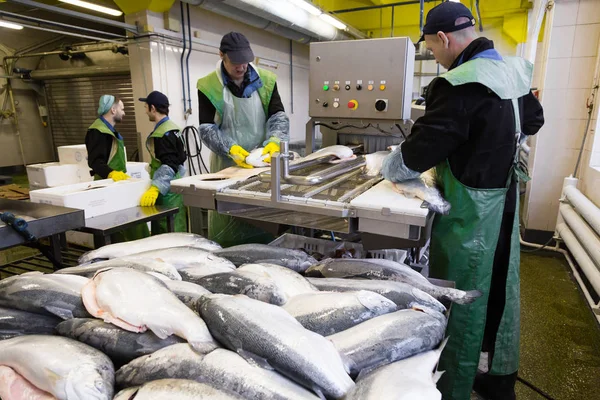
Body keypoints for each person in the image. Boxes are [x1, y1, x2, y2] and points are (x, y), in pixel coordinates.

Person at [381, 3, 544, 400]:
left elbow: (417, 154)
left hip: (471, 215)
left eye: (433, 51)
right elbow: (535, 121)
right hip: (505, 204)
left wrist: (389, 165)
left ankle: (452, 388)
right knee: (501, 289)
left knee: (462, 297)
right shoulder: (514, 72)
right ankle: (500, 379)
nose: (435, 59)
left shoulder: (460, 85)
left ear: (443, 38)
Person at [197, 31, 290, 247]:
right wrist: (232, 150)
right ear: (222, 55)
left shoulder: (266, 81)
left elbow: (278, 116)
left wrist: (275, 140)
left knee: (264, 225)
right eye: (236, 62)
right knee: (228, 229)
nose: (242, 67)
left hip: (262, 165)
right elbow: (207, 128)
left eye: (246, 61)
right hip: (228, 166)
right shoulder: (208, 85)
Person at [85, 95, 149, 241]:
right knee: (113, 228)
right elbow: (95, 162)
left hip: (117, 183)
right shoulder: (98, 132)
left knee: (129, 224)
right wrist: (111, 173)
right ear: (113, 110)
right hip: (106, 186)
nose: (124, 112)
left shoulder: (109, 131)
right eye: (122, 108)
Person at [138, 91, 188, 234]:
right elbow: (180, 157)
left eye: (146, 107)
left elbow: (169, 163)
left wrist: (156, 187)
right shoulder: (173, 128)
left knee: (167, 231)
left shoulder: (162, 134)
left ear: (153, 108)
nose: (145, 111)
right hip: (175, 186)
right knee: (177, 227)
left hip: (167, 192)